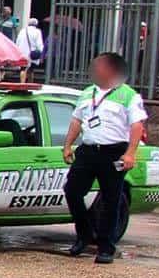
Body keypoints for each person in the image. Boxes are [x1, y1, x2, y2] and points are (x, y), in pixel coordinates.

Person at [62, 52, 147, 264]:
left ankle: (106, 246)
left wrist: (130, 153)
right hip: (88, 150)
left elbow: (137, 125)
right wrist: (68, 145)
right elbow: (76, 121)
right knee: (72, 191)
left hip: (113, 151)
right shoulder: (87, 93)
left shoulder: (128, 95)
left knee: (111, 200)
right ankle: (83, 235)